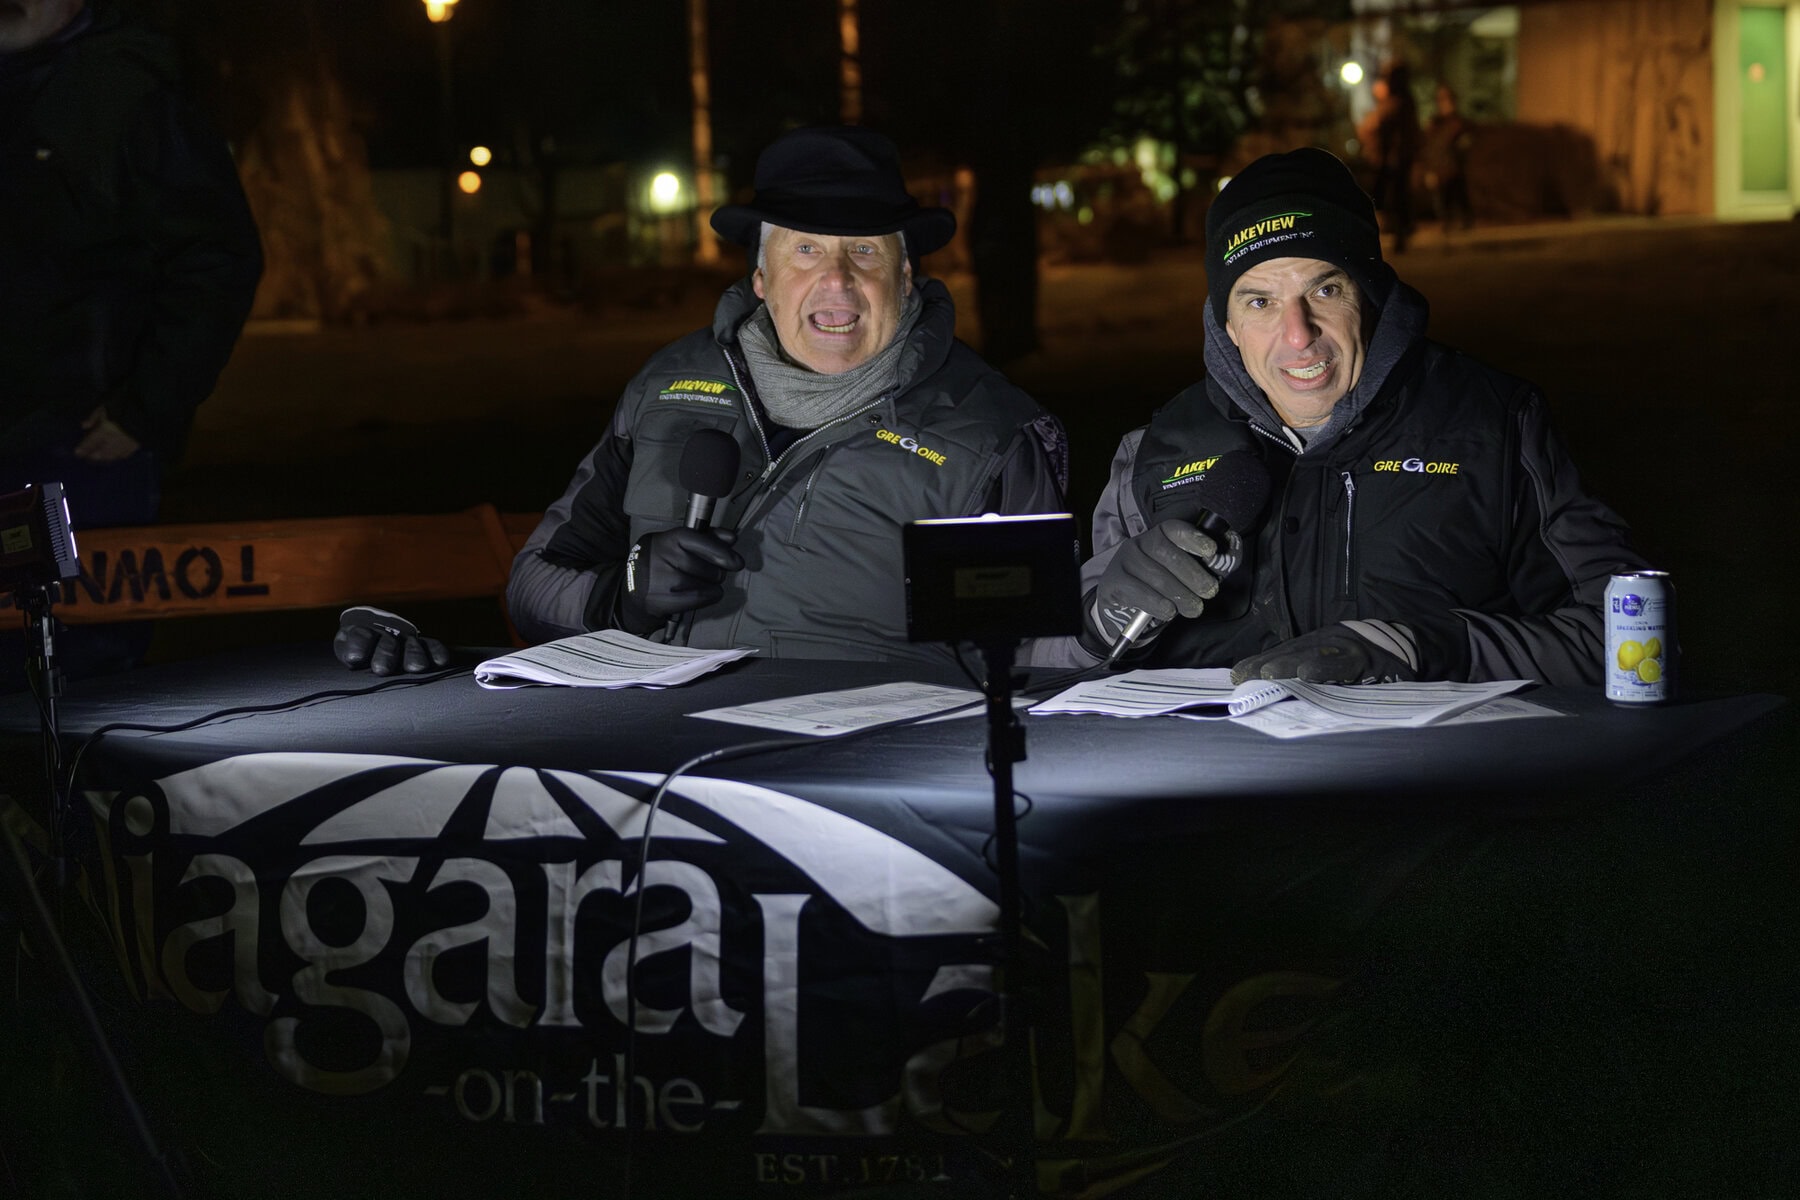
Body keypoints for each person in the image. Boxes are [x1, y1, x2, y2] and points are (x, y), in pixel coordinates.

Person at [1061, 146, 1645, 686]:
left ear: (1369, 295)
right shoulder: (1154, 452)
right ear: (1227, 325)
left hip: (1428, 790)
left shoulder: (1495, 424)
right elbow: (1034, 663)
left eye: (1325, 291)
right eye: (1259, 301)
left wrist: (1420, 647)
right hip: (1214, 794)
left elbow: (1636, 644)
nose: (1298, 335)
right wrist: (1097, 624)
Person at [499, 125, 1067, 666]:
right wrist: (622, 599)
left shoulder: (990, 435)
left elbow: (1032, 664)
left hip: (864, 754)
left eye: (865, 250)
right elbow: (531, 588)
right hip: (664, 746)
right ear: (762, 279)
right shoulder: (666, 389)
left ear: (904, 276)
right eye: (806, 250)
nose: (838, 279)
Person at [0, 0, 263, 681]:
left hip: (78, 450)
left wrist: (145, 407)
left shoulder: (127, 93)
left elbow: (215, 258)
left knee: (83, 675)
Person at [1364, 62, 1420, 252]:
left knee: (1394, 196)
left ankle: (1400, 233)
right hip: (1392, 157)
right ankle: (1399, 231)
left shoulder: (1399, 102)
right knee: (1391, 196)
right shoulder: (1400, 101)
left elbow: (1388, 129)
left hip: (1394, 158)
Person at [1423, 83, 1475, 232]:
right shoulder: (1435, 125)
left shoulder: (1459, 123)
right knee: (1443, 200)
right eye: (1441, 99)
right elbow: (1431, 148)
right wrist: (1430, 169)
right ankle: (1447, 223)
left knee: (1459, 196)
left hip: (1455, 169)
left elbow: (1464, 144)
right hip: (1441, 169)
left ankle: (1465, 222)